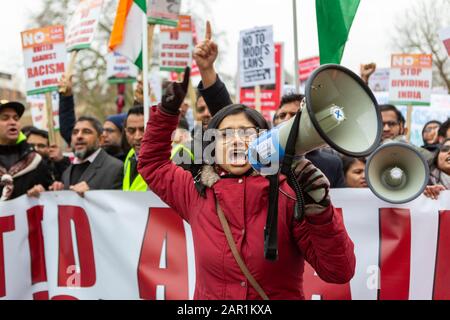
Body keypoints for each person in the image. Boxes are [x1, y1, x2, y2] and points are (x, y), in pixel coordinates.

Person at [137, 70, 355, 300]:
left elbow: (338, 271)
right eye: (226, 134)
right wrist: (167, 111)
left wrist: (320, 210)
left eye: (247, 133)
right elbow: (151, 163)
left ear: (266, 140)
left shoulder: (288, 194)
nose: (237, 140)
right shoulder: (196, 191)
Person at [273, 94, 347, 188]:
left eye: (293, 115)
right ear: (274, 121)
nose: (286, 119)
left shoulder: (332, 163)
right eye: (282, 115)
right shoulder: (266, 158)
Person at [58, 75, 127, 162]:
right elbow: (68, 130)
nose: (104, 134)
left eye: (110, 131)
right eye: (103, 131)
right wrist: (66, 96)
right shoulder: (95, 156)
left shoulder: (133, 159)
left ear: (123, 134)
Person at [49, 116, 123, 197]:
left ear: (101, 139)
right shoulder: (66, 173)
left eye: (86, 132)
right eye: (75, 132)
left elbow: (118, 204)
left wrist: (91, 194)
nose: (79, 136)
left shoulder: (115, 168)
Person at [0, 101, 52, 201]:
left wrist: (43, 191)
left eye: (16, 118)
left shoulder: (35, 161)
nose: (13, 122)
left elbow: (53, 195)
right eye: (5, 118)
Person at [122, 106, 147, 192]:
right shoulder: (131, 154)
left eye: (143, 130)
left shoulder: (172, 158)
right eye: (131, 130)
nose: (137, 137)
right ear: (125, 132)